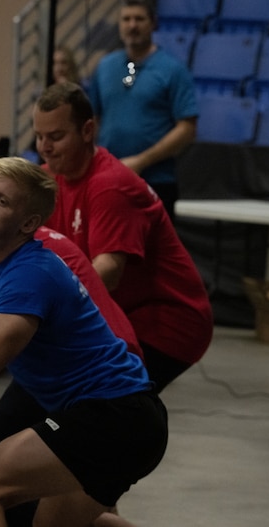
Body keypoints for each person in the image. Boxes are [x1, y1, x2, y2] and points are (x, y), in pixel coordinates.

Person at [0, 156, 169, 527]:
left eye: (2, 201)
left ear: (29, 223)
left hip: (112, 415)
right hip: (124, 421)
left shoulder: (29, 273)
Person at [34, 81, 213, 392]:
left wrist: (39, 307)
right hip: (122, 314)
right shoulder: (50, 178)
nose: (45, 148)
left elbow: (107, 274)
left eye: (56, 137)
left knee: (87, 396)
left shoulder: (110, 186)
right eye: (39, 137)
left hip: (166, 323)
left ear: (87, 131)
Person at [87, 0, 198, 219]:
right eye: (126, 19)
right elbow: (92, 119)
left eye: (139, 19)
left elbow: (187, 128)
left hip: (156, 181)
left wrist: (142, 161)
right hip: (108, 178)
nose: (132, 25)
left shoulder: (172, 70)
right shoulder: (106, 66)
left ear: (153, 23)